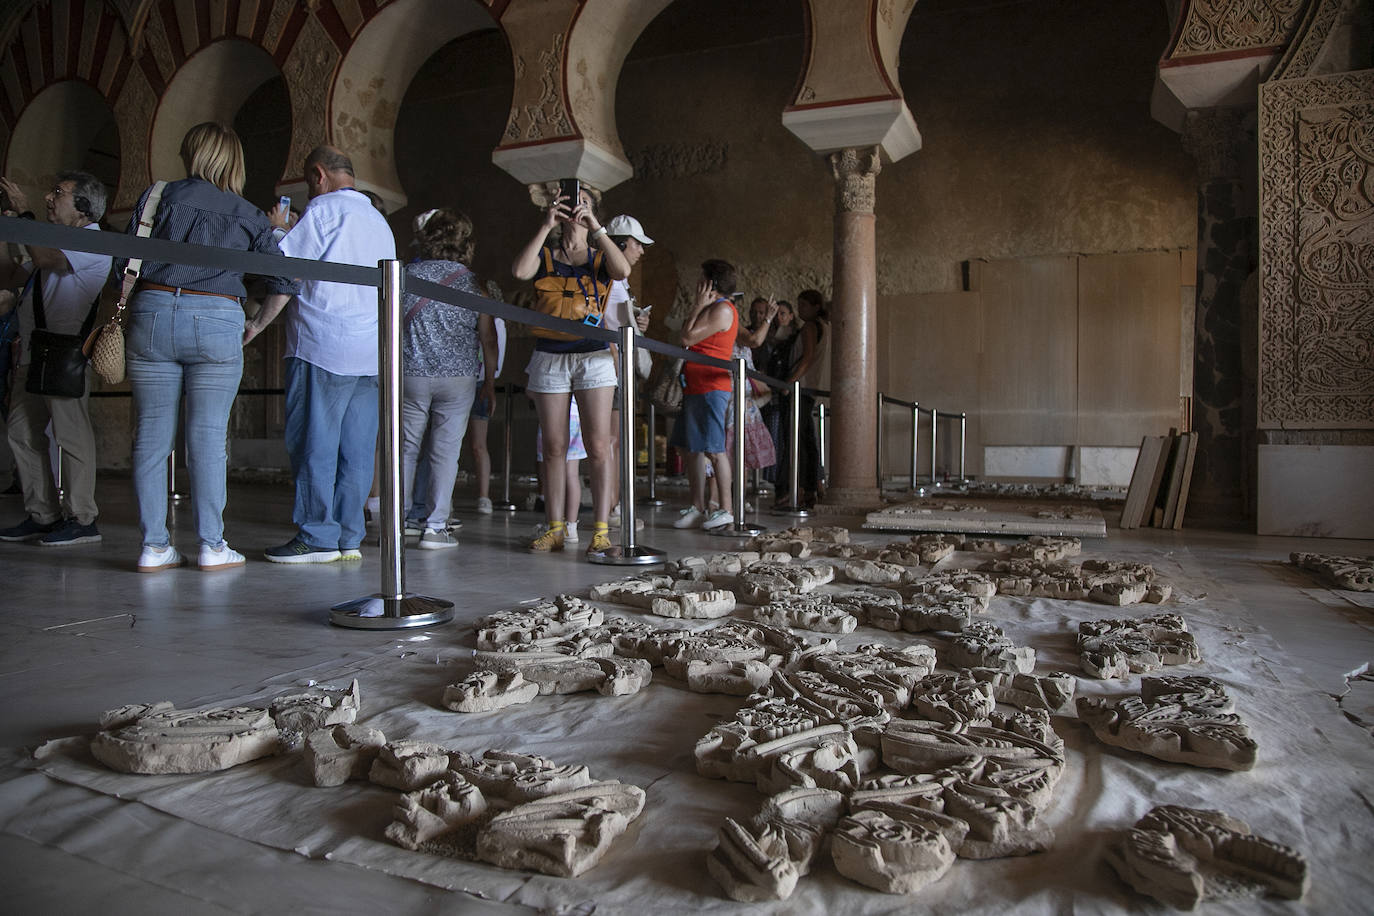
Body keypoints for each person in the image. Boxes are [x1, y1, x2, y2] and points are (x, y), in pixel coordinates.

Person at [121, 123, 298, 572]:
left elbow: (124, 262)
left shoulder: (158, 197)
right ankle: (211, 545)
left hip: (153, 313)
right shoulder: (249, 214)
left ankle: (154, 546)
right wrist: (257, 323)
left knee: (151, 436)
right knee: (207, 438)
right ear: (234, 161)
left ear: (190, 154)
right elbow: (284, 281)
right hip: (218, 318)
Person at [244, 145, 396, 563]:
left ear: (317, 175)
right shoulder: (379, 221)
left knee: (315, 444)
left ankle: (316, 536)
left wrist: (258, 323)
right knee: (357, 452)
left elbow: (286, 273)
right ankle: (349, 535)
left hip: (324, 346)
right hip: (369, 354)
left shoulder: (324, 212)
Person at [511, 183, 630, 557]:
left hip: (593, 354)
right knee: (554, 446)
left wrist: (595, 226)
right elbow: (519, 270)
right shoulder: (547, 254)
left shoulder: (599, 256)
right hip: (550, 354)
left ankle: (600, 529)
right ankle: (557, 527)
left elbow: (622, 269)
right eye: (569, 205)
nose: (574, 210)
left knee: (598, 445)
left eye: (583, 204)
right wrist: (547, 224)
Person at [0, 171, 112, 546]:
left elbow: (46, 258)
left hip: (64, 352)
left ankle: (83, 518)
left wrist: (25, 216)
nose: (50, 197)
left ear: (84, 207)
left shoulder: (91, 240)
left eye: (59, 193)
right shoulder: (52, 240)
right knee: (21, 430)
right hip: (35, 351)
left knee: (70, 434)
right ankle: (43, 513)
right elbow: (12, 273)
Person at [398, 208, 497, 550]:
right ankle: (435, 526)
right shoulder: (474, 284)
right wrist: (490, 380)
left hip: (411, 373)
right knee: (445, 452)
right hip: (457, 378)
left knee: (406, 449)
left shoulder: (406, 275)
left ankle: (400, 522)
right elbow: (487, 338)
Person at [671, 259, 739, 531]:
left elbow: (686, 338)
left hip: (712, 388)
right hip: (695, 386)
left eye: (702, 279)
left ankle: (726, 508)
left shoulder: (722, 310)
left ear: (710, 283)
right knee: (690, 447)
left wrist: (697, 304)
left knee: (714, 449)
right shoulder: (713, 308)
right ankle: (697, 505)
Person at [602, 214, 653, 525]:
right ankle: (609, 509)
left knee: (618, 442)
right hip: (612, 367)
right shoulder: (610, 276)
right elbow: (607, 327)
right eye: (637, 244)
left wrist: (637, 320)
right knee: (611, 441)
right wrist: (619, 370)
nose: (641, 251)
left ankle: (616, 505)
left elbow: (620, 320)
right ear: (621, 244)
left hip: (619, 366)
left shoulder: (620, 281)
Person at [772, 289, 827, 507]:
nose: (801, 309)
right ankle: (809, 488)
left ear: (815, 307)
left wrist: (789, 383)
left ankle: (793, 490)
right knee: (805, 438)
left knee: (794, 439)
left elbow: (807, 358)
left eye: (804, 305)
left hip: (800, 387)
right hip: (809, 389)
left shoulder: (810, 327)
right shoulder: (825, 326)